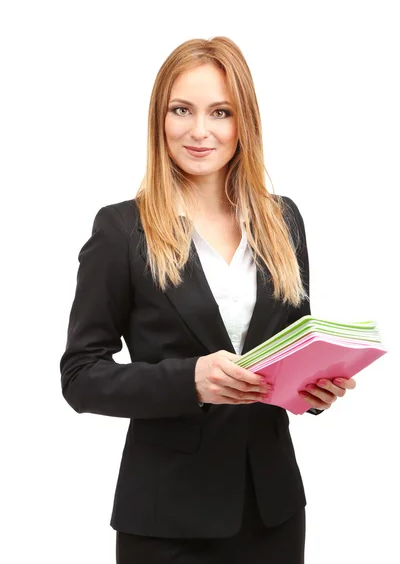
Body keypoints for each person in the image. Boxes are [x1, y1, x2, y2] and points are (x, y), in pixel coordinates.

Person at [60, 36, 356, 564]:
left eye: (221, 112)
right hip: (166, 520)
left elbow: (294, 342)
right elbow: (81, 377)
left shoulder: (282, 220)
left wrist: (316, 388)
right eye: (182, 110)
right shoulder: (121, 230)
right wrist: (188, 379)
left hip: (273, 512)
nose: (200, 131)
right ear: (160, 119)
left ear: (244, 123)